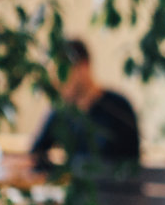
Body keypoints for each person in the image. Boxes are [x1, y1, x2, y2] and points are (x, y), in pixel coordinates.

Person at [25, 39, 141, 175]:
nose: (57, 82)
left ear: (83, 68)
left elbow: (133, 166)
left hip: (114, 193)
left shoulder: (118, 107)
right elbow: (35, 154)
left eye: (62, 73)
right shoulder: (61, 112)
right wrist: (61, 171)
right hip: (76, 193)